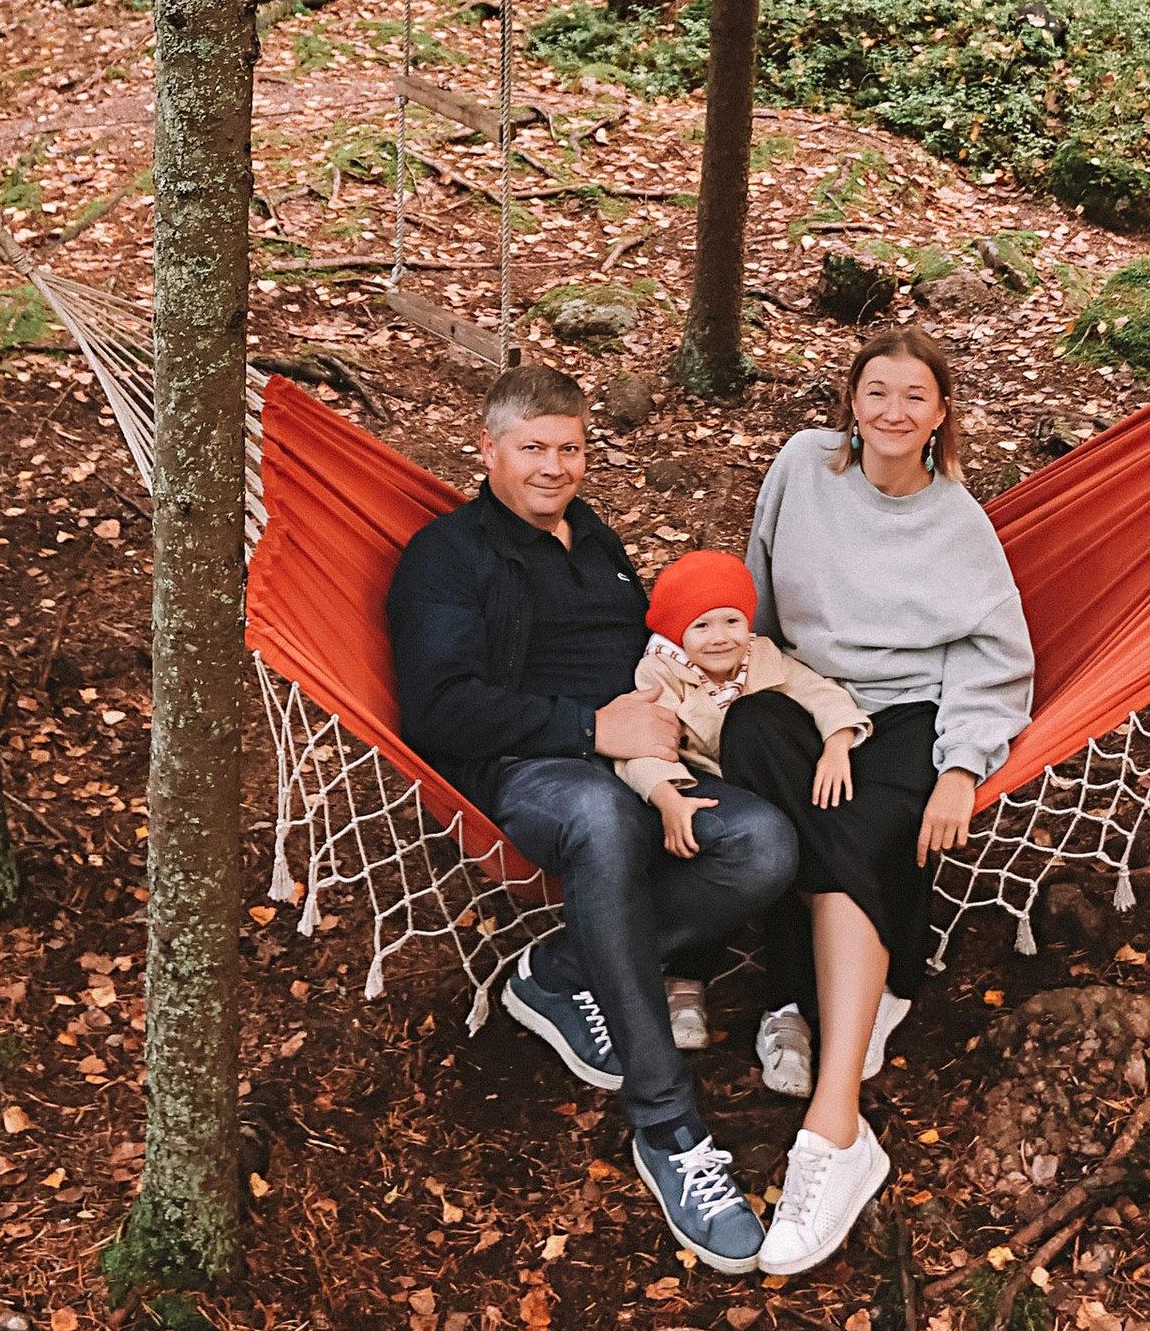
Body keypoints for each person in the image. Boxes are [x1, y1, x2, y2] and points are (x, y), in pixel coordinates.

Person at [386, 363, 796, 1273]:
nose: (554, 466)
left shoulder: (595, 541)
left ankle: (561, 970)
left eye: (570, 448)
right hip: (527, 770)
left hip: (641, 761)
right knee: (606, 819)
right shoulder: (447, 557)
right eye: (532, 448)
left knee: (764, 842)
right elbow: (437, 707)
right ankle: (668, 1129)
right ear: (487, 449)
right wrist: (586, 726)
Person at [724, 325, 1035, 1279]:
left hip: (908, 715)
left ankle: (835, 1126)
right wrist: (740, 682)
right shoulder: (800, 471)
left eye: (914, 396)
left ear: (941, 415)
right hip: (805, 693)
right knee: (744, 744)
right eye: (875, 392)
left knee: (852, 825)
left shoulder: (960, 524)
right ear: (850, 404)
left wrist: (959, 767)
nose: (893, 411)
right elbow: (762, 590)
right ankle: (869, 990)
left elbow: (996, 657)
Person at [612, 546, 872, 849]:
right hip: (709, 779)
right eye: (702, 626)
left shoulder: (759, 654)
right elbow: (644, 748)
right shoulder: (662, 672)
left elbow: (821, 693)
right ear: (679, 633)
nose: (720, 638)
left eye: (732, 622)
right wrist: (668, 801)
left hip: (772, 775)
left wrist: (836, 747)